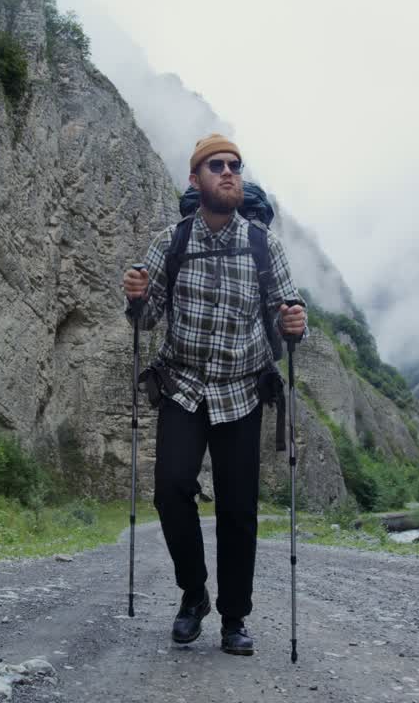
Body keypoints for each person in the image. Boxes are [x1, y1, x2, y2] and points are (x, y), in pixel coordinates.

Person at [122, 133, 307, 656]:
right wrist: (135, 298)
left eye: (235, 166)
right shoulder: (172, 242)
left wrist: (295, 323)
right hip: (183, 385)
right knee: (170, 489)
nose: (228, 172)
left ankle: (234, 618)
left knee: (238, 509)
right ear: (195, 179)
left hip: (242, 389)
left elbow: (286, 312)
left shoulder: (262, 245)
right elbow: (147, 317)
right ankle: (194, 593)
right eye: (216, 166)